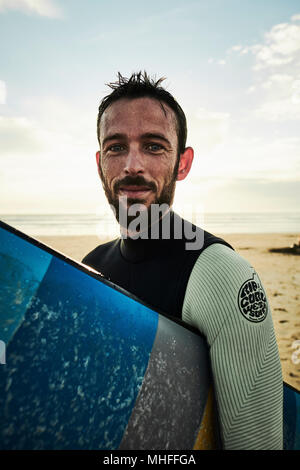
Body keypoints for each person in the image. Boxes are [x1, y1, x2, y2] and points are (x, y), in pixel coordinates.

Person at [82, 71, 283, 450]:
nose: (132, 166)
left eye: (154, 146)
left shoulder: (222, 275)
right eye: (115, 147)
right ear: (99, 164)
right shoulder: (90, 267)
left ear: (183, 163)